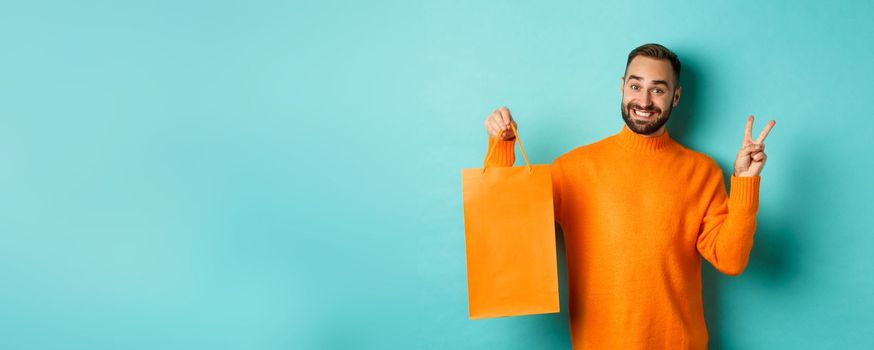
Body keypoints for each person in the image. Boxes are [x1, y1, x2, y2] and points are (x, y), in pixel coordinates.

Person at [482, 43, 775, 349]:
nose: (644, 101)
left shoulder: (702, 171)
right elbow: (509, 229)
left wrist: (744, 181)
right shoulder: (573, 168)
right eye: (636, 86)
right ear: (622, 87)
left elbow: (731, 260)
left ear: (676, 97)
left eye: (658, 90)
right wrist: (501, 146)